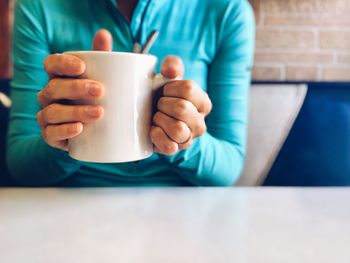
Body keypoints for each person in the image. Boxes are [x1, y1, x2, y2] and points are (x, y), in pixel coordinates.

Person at [6, 0, 255, 186]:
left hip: (180, 210)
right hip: (69, 205)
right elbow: (22, 165)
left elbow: (228, 166)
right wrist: (65, 141)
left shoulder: (227, 11)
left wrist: (179, 139)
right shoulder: (40, 7)